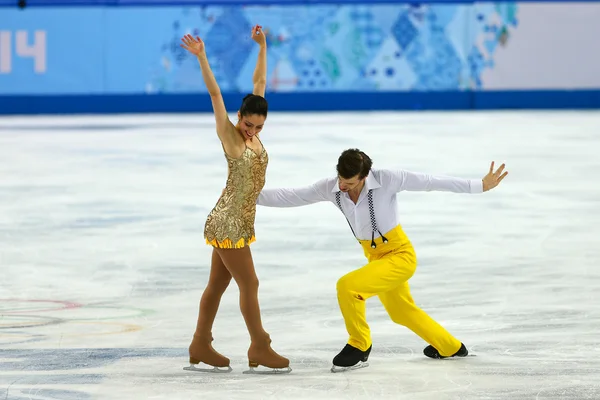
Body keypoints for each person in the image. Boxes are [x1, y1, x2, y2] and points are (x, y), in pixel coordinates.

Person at [257, 149, 508, 372]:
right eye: (341, 179)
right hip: (375, 257)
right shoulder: (332, 187)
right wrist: (248, 196)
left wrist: (479, 185)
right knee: (401, 312)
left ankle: (359, 344)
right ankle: (450, 347)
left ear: (364, 176)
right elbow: (291, 195)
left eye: (350, 181)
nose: (343, 186)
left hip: (400, 255)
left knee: (348, 286)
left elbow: (431, 182)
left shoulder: (388, 179)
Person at [180, 25, 291, 374]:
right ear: (239, 117)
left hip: (240, 220)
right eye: (248, 124)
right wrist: (202, 59)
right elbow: (215, 96)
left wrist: (262, 47)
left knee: (217, 284)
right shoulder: (231, 136)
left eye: (259, 127)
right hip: (227, 220)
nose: (253, 131)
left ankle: (200, 343)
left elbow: (259, 84)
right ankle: (259, 345)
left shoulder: (254, 127)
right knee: (250, 283)